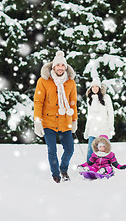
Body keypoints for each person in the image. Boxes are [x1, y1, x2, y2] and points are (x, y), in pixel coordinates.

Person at [33, 50, 78, 183]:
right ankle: (56, 174)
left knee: (69, 149)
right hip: (48, 121)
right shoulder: (43, 81)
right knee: (52, 150)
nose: (60, 68)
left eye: (62, 65)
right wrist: (37, 121)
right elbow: (38, 102)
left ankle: (63, 169)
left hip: (65, 121)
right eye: (57, 65)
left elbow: (73, 103)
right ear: (53, 67)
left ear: (66, 67)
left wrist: (74, 120)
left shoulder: (70, 82)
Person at [83, 79, 114, 161]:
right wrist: (87, 130)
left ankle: (106, 166)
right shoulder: (90, 99)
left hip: (104, 128)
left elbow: (111, 113)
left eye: (97, 86)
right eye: (93, 87)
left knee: (105, 149)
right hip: (93, 128)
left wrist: (111, 125)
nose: (95, 88)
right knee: (91, 149)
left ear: (100, 88)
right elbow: (89, 115)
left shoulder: (106, 97)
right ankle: (89, 166)